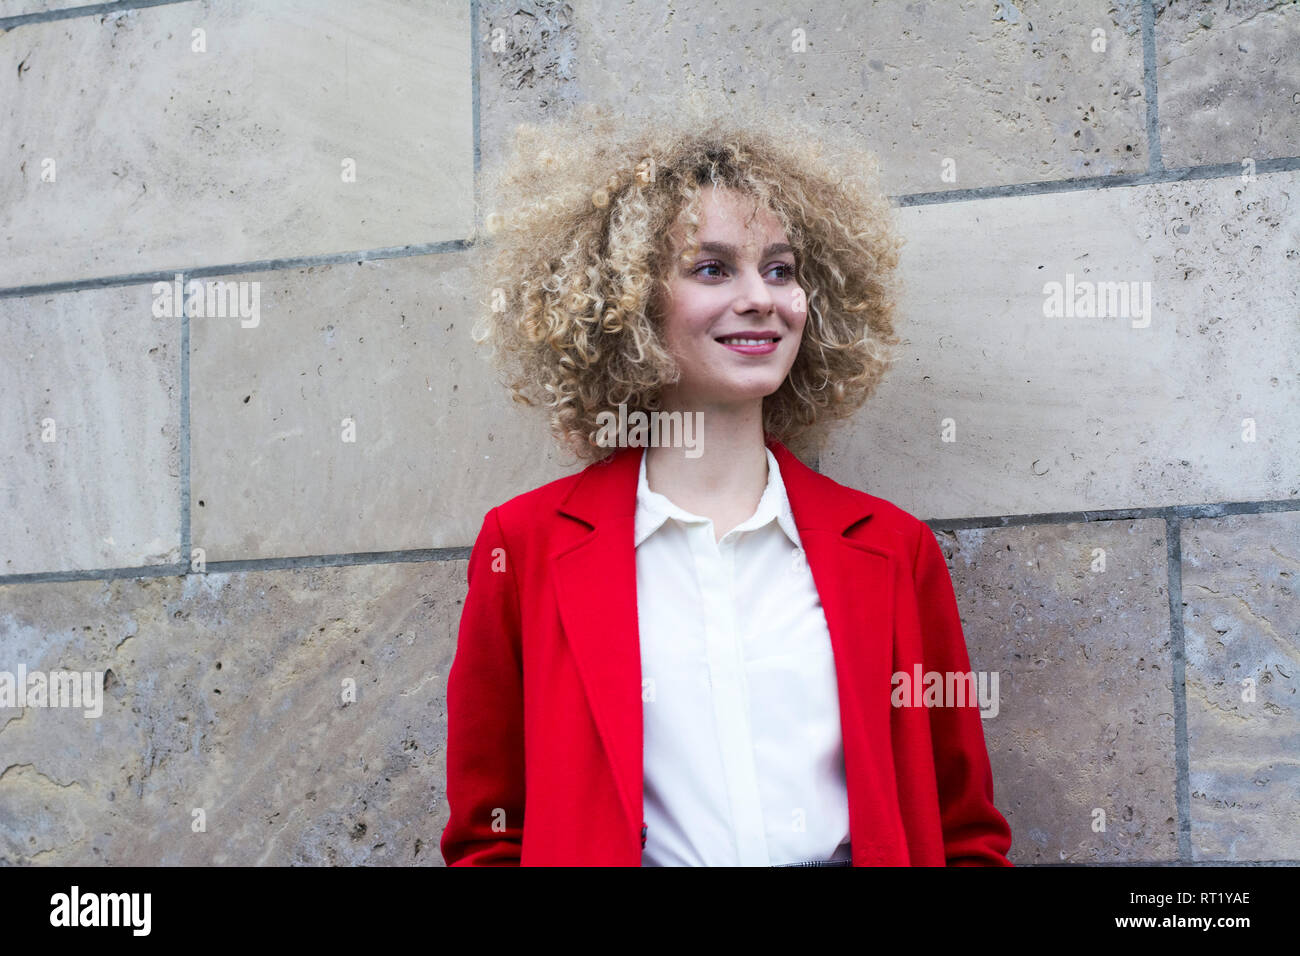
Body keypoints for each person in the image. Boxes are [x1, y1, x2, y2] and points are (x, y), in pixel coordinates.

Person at [440, 99, 1013, 866]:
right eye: (713, 268)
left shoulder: (893, 549)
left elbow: (963, 827)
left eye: (780, 269)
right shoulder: (527, 546)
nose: (761, 298)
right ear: (627, 301)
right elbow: (490, 833)